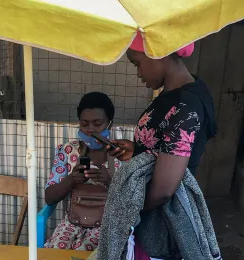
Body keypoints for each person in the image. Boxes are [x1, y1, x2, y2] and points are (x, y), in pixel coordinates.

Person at [109, 32, 217, 212]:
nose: (138, 73)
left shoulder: (185, 105)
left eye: (138, 64)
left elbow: (164, 190)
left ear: (158, 53)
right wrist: (138, 150)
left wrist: (130, 214)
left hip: (163, 215)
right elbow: (166, 147)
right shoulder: (180, 92)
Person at [44, 92, 121, 251]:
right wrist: (71, 179)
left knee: (89, 250)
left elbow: (130, 203)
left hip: (106, 226)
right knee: (56, 250)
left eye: (97, 123)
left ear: (110, 124)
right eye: (84, 124)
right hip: (71, 224)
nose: (90, 130)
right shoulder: (67, 151)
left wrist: (108, 181)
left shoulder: (121, 154)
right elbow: (49, 198)